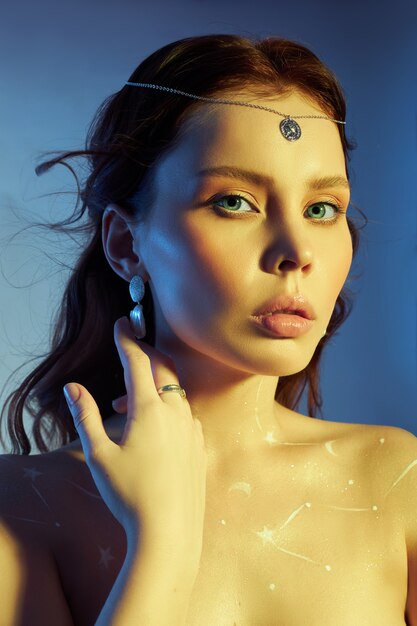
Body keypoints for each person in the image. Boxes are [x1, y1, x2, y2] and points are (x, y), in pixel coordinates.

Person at [0, 33, 416, 626]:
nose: (296, 250)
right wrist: (161, 543)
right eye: (235, 202)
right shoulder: (21, 508)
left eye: (322, 209)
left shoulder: (397, 479)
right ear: (126, 244)